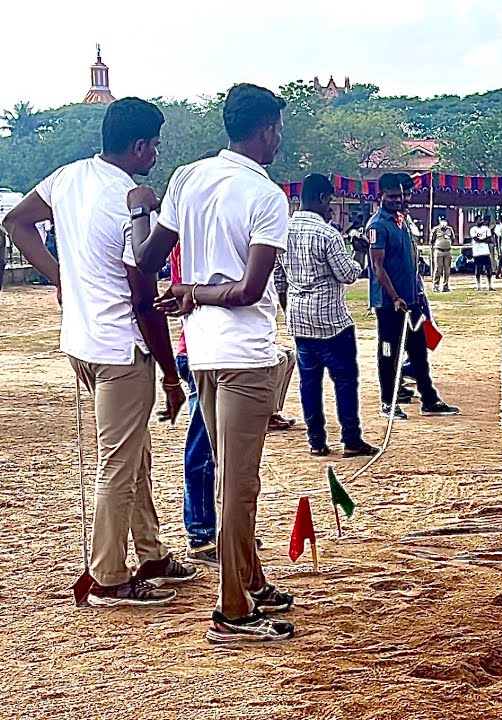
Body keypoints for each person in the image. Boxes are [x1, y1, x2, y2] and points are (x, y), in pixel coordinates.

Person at [3, 97, 197, 608]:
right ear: (139, 146)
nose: (156, 154)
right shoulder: (132, 202)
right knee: (119, 464)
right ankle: (109, 575)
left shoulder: (68, 177)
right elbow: (143, 297)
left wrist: (58, 275)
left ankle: (151, 553)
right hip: (119, 350)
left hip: (82, 344)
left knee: (134, 457)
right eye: (154, 145)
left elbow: (16, 222)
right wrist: (172, 377)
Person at [131, 84, 296, 643]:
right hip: (245, 353)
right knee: (239, 484)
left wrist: (142, 216)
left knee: (229, 472)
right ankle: (232, 610)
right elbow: (250, 289)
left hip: (201, 349)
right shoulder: (267, 196)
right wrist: (199, 290)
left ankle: (250, 578)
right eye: (277, 128)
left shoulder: (188, 177)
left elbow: (149, 258)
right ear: (267, 128)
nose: (278, 137)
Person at [278, 174, 377, 459]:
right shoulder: (327, 234)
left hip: (299, 318)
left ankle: (316, 441)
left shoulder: (282, 230)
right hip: (331, 321)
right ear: (322, 198)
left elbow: (279, 278)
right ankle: (351, 439)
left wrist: (290, 311)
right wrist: (359, 254)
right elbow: (347, 275)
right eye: (329, 200)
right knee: (345, 380)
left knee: (309, 382)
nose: (330, 206)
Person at [365, 173, 459, 420]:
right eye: (392, 197)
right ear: (381, 196)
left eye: (401, 196)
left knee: (418, 350)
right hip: (389, 304)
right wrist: (394, 297)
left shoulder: (401, 221)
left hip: (411, 301)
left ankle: (429, 400)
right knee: (388, 351)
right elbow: (377, 266)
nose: (399, 200)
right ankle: (388, 402)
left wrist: (415, 291)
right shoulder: (377, 225)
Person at [469, 215, 495, 291]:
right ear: (476, 221)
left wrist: (482, 240)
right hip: (477, 252)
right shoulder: (473, 229)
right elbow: (476, 239)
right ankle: (478, 286)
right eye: (480, 220)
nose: (482, 221)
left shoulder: (486, 228)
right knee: (478, 269)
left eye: (482, 220)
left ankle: (490, 286)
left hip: (485, 251)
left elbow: (490, 238)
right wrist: (485, 240)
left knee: (488, 269)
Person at [430, 216, 454, 293]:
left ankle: (445, 286)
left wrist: (448, 244)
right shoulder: (436, 229)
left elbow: (452, 238)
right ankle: (436, 285)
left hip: (447, 251)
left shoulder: (450, 229)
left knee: (447, 269)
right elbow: (432, 240)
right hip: (439, 251)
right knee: (438, 269)